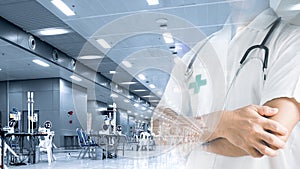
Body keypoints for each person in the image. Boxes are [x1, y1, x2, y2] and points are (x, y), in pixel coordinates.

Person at [154, 0, 300, 168]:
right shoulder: (196, 54)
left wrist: (191, 139)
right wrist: (221, 123)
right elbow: (160, 128)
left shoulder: (292, 42)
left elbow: (268, 137)